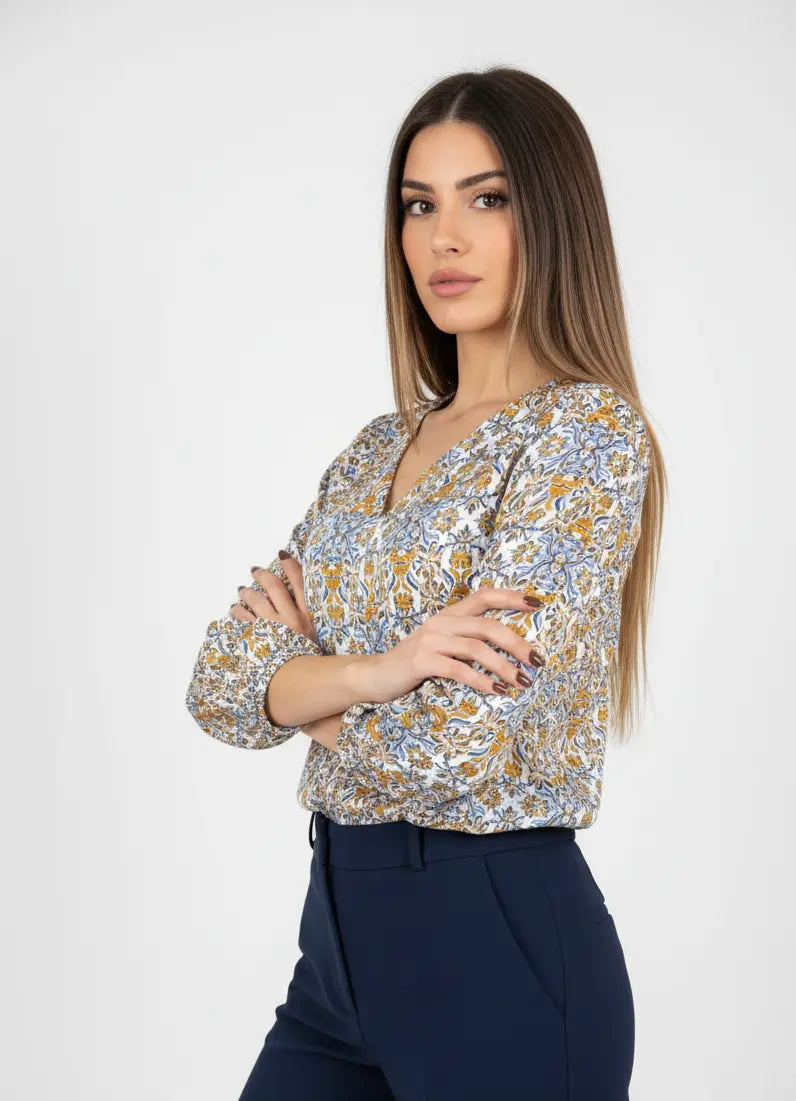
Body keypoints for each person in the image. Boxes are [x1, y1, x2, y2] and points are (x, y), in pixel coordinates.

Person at [185, 65, 665, 1101]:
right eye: (418, 205)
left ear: (554, 219)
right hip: (337, 956)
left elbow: (456, 744)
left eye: (486, 200)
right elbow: (220, 684)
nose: (444, 238)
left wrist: (305, 688)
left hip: (495, 948)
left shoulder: (582, 435)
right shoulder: (374, 449)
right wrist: (384, 671)